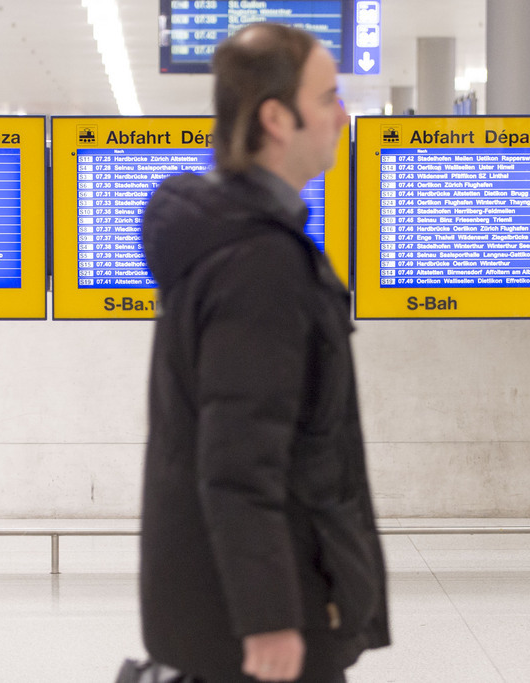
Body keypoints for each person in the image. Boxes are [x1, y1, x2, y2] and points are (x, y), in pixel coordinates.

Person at [139, 23, 390, 683]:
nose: (343, 114)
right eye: (330, 96)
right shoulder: (260, 263)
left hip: (230, 600)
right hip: (269, 618)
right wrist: (270, 617)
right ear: (277, 117)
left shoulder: (232, 242)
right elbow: (239, 459)